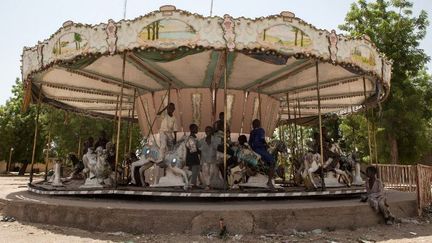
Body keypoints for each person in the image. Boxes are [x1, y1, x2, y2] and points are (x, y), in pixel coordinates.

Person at [249, 119, 275, 189]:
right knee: (272, 161)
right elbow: (263, 140)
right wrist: (267, 145)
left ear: (253, 125)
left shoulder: (252, 132)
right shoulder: (261, 130)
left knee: (266, 161)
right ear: (259, 124)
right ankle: (269, 181)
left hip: (254, 149)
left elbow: (250, 143)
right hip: (259, 149)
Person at [186, 124, 200, 189]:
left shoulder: (194, 137)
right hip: (192, 156)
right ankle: (192, 184)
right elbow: (193, 149)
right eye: (196, 128)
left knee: (195, 170)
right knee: (194, 170)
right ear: (192, 129)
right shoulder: (191, 138)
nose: (197, 129)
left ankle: (193, 183)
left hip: (194, 155)